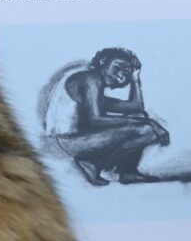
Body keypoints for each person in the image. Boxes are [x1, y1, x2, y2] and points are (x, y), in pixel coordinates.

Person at [57, 48, 169, 185]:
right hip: (70, 140)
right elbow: (96, 119)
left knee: (141, 119)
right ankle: (92, 163)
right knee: (146, 130)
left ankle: (127, 172)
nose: (121, 75)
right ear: (103, 61)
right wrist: (149, 122)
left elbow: (136, 107)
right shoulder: (91, 79)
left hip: (78, 139)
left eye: (126, 73)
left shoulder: (94, 89)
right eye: (118, 67)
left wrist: (135, 79)